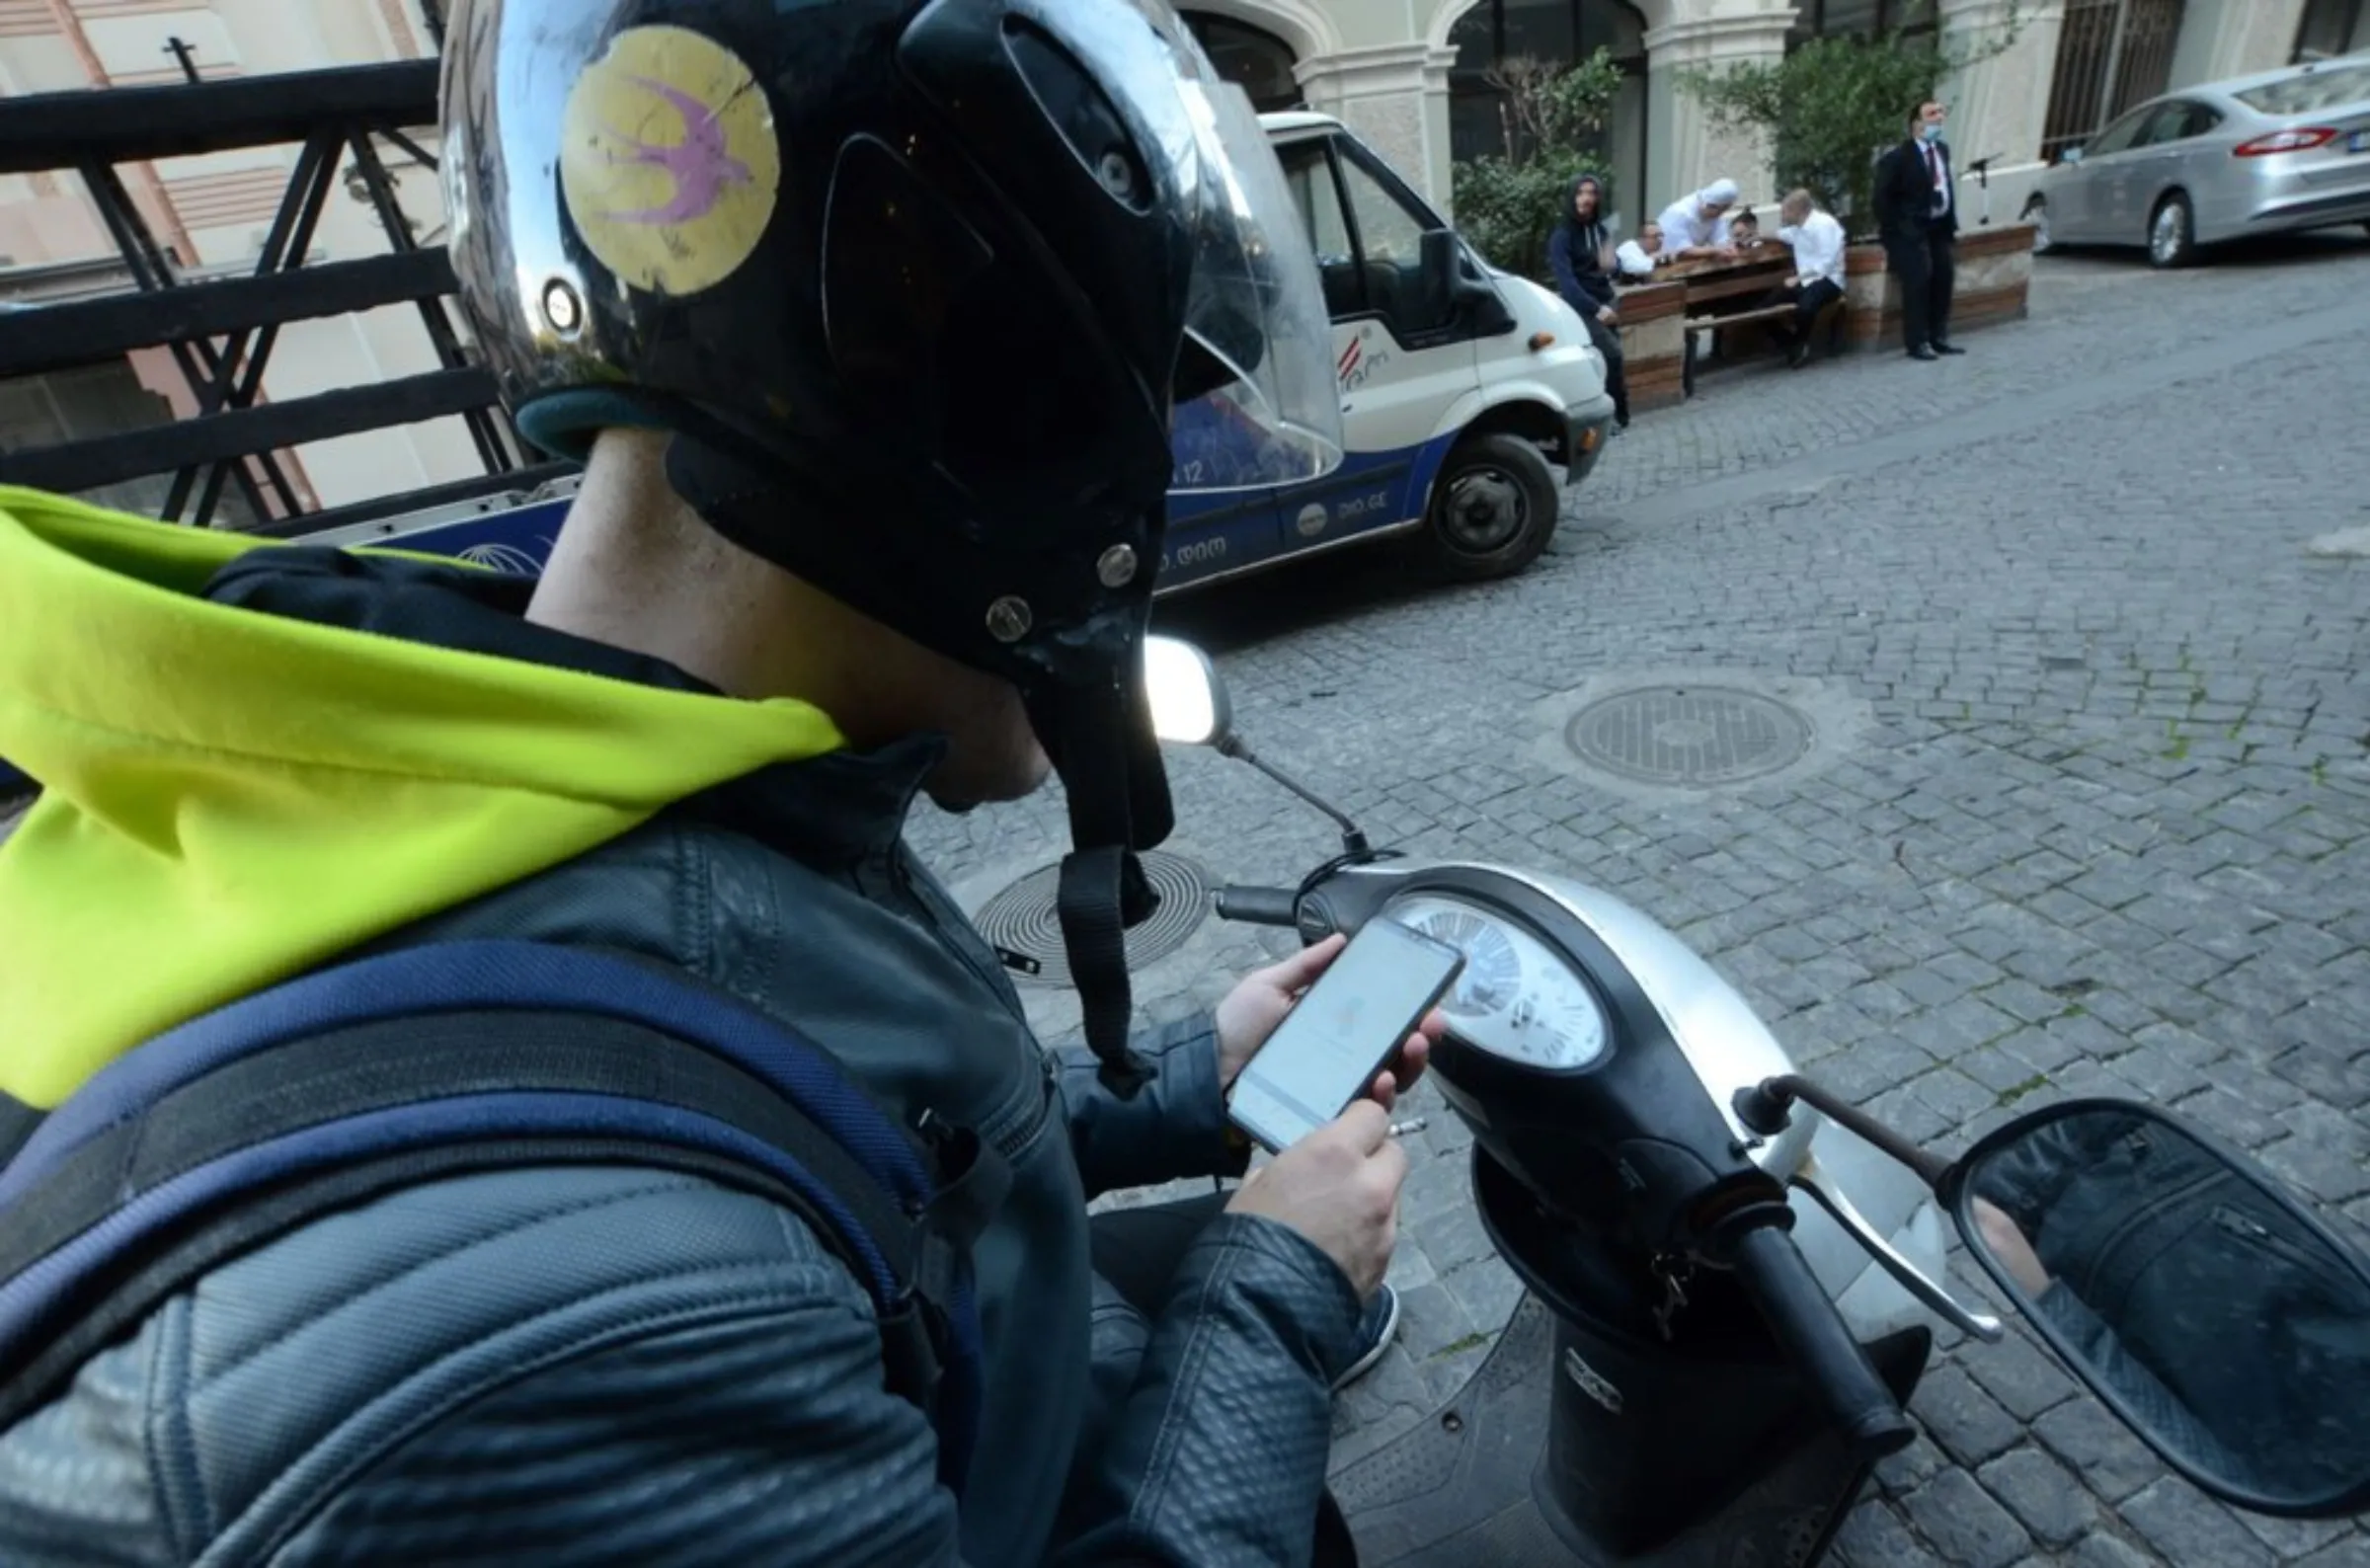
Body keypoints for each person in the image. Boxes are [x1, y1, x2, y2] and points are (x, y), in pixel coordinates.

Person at [0, 3, 1438, 1563]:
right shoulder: (592, 1333)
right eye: (1143, 431)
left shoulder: (604, 781)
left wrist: (1189, 1077)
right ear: (990, 440)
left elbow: (859, 1156)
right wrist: (1275, 1288)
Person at [1969, 1115, 2370, 1504]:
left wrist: (2046, 1297)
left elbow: (2181, 1438)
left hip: (2078, 1244)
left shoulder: (2329, 1481)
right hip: (2144, 1160)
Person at [1872, 99, 1964, 360]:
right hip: (1909, 231)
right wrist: (1898, 227)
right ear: (1917, 125)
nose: (1939, 118)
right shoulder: (1898, 158)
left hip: (1939, 227)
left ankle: (1938, 336)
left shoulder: (1942, 150)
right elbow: (1881, 199)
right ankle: (1917, 341)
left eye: (1940, 112)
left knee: (1943, 279)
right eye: (1932, 114)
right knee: (1918, 282)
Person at [1547, 172, 1630, 430]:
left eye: (1592, 193)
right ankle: (1615, 416)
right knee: (1612, 356)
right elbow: (1567, 285)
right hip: (1585, 308)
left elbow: (1612, 268)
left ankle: (1615, 417)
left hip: (1607, 301)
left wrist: (1614, 266)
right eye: (1581, 193)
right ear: (1572, 196)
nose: (1586, 199)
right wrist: (1596, 310)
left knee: (1608, 360)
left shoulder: (1600, 230)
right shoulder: (1561, 237)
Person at [1772, 188, 1848, 369]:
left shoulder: (1824, 225)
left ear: (1799, 210)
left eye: (1785, 210)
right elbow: (1779, 234)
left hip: (1829, 280)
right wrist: (1756, 235)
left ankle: (1800, 343)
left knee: (1806, 307)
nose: (1783, 214)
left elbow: (1826, 264)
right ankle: (1791, 343)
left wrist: (1798, 278)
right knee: (1763, 309)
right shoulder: (1797, 229)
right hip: (1805, 281)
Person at [1656, 179, 1742, 261]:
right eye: (1714, 208)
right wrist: (1716, 251)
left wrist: (1729, 248)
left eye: (1723, 210)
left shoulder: (1715, 215)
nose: (1718, 214)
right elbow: (1682, 251)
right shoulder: (1679, 213)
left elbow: (1721, 238)